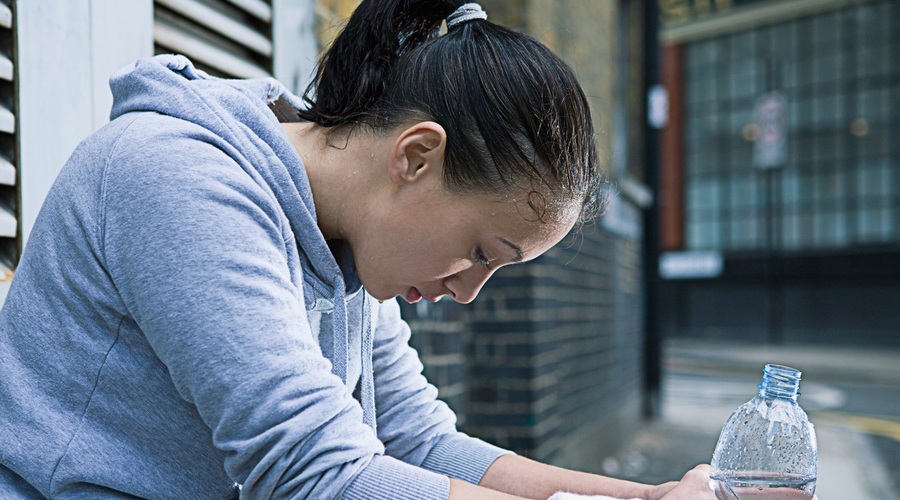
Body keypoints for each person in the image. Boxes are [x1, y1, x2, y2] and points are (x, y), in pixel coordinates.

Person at [0, 1, 715, 498]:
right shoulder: (181, 179)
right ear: (417, 156)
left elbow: (419, 443)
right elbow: (317, 476)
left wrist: (649, 496)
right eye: (480, 251)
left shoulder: (342, 243)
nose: (467, 291)